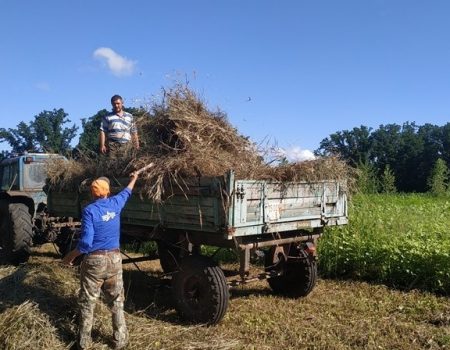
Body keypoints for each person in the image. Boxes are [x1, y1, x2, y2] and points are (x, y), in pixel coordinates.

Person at [63, 172, 139, 350]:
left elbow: (86, 243)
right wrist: (134, 178)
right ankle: (120, 340)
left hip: (94, 261)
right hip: (114, 258)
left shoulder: (89, 211)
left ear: (92, 193)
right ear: (108, 192)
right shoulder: (116, 203)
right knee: (116, 300)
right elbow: (127, 191)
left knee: (88, 302)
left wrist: (70, 257)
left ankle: (83, 342)